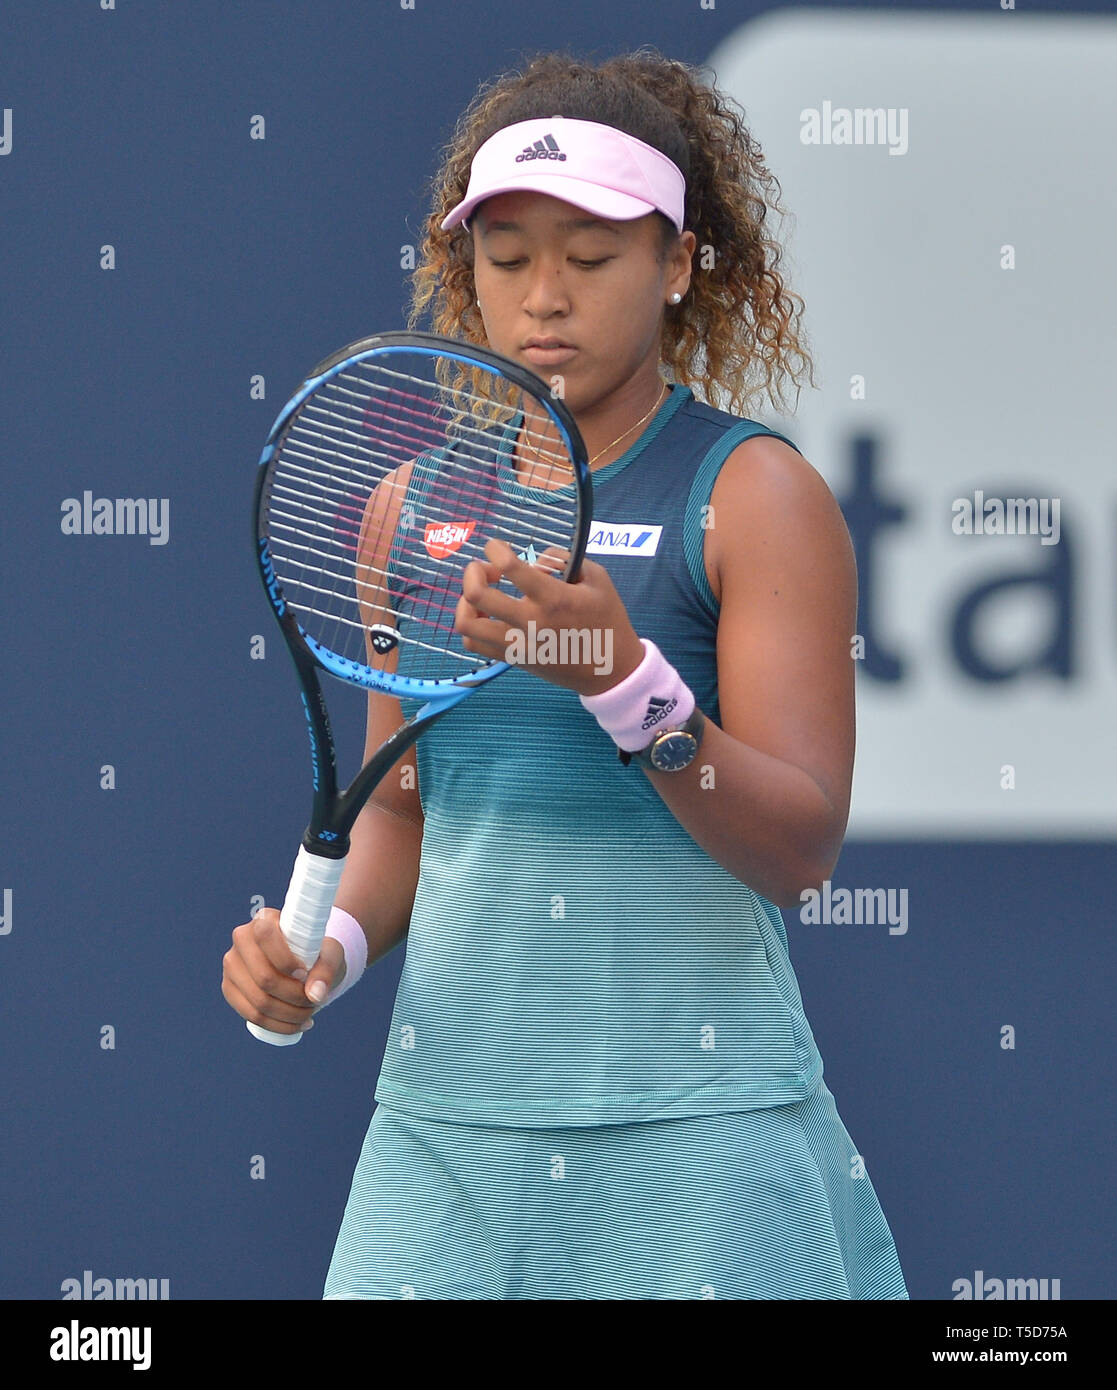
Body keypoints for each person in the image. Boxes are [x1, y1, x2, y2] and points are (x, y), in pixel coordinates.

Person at [222, 47, 909, 1300]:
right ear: (461, 270)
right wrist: (325, 958)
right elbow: (400, 806)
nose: (545, 296)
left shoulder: (753, 497)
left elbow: (800, 850)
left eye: (590, 258)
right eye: (506, 258)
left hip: (700, 1137)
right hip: (444, 1140)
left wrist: (624, 681)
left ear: (678, 266)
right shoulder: (402, 510)